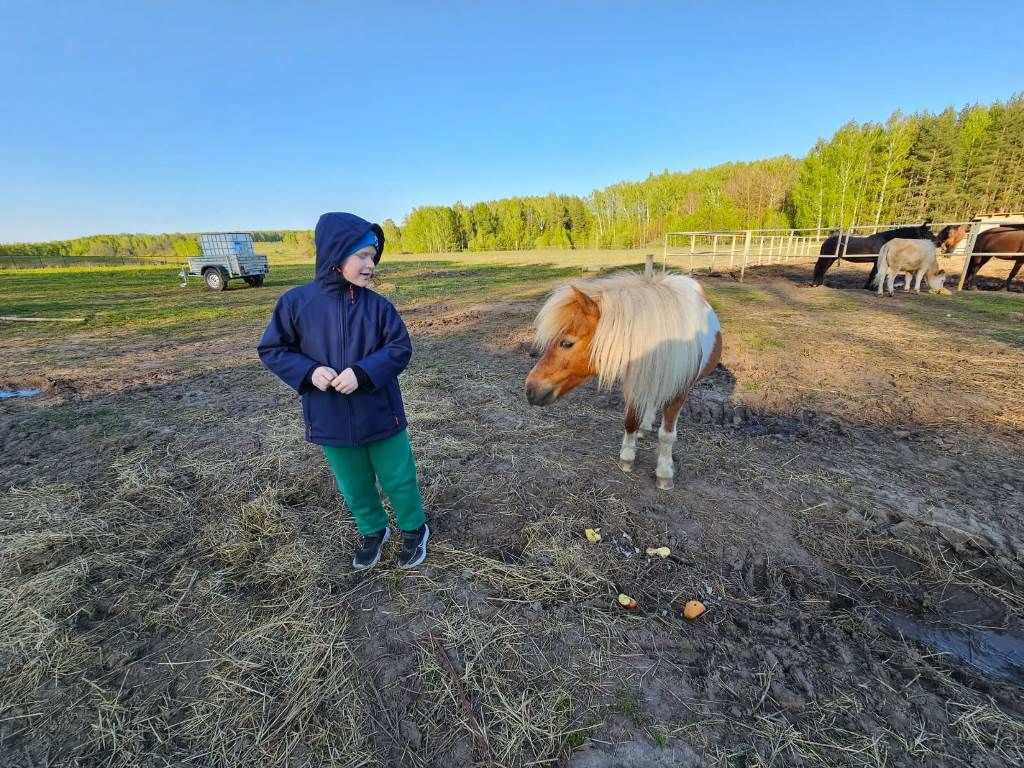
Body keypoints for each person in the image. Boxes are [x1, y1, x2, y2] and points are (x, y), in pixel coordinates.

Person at [258, 212, 428, 569]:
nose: (371, 265)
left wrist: (363, 373)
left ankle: (414, 529)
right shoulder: (296, 303)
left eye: (374, 256)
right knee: (353, 483)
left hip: (381, 413)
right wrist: (309, 371)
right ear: (337, 255)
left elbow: (399, 349)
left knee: (398, 477)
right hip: (329, 417)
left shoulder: (378, 306)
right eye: (363, 256)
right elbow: (273, 349)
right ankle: (372, 530)